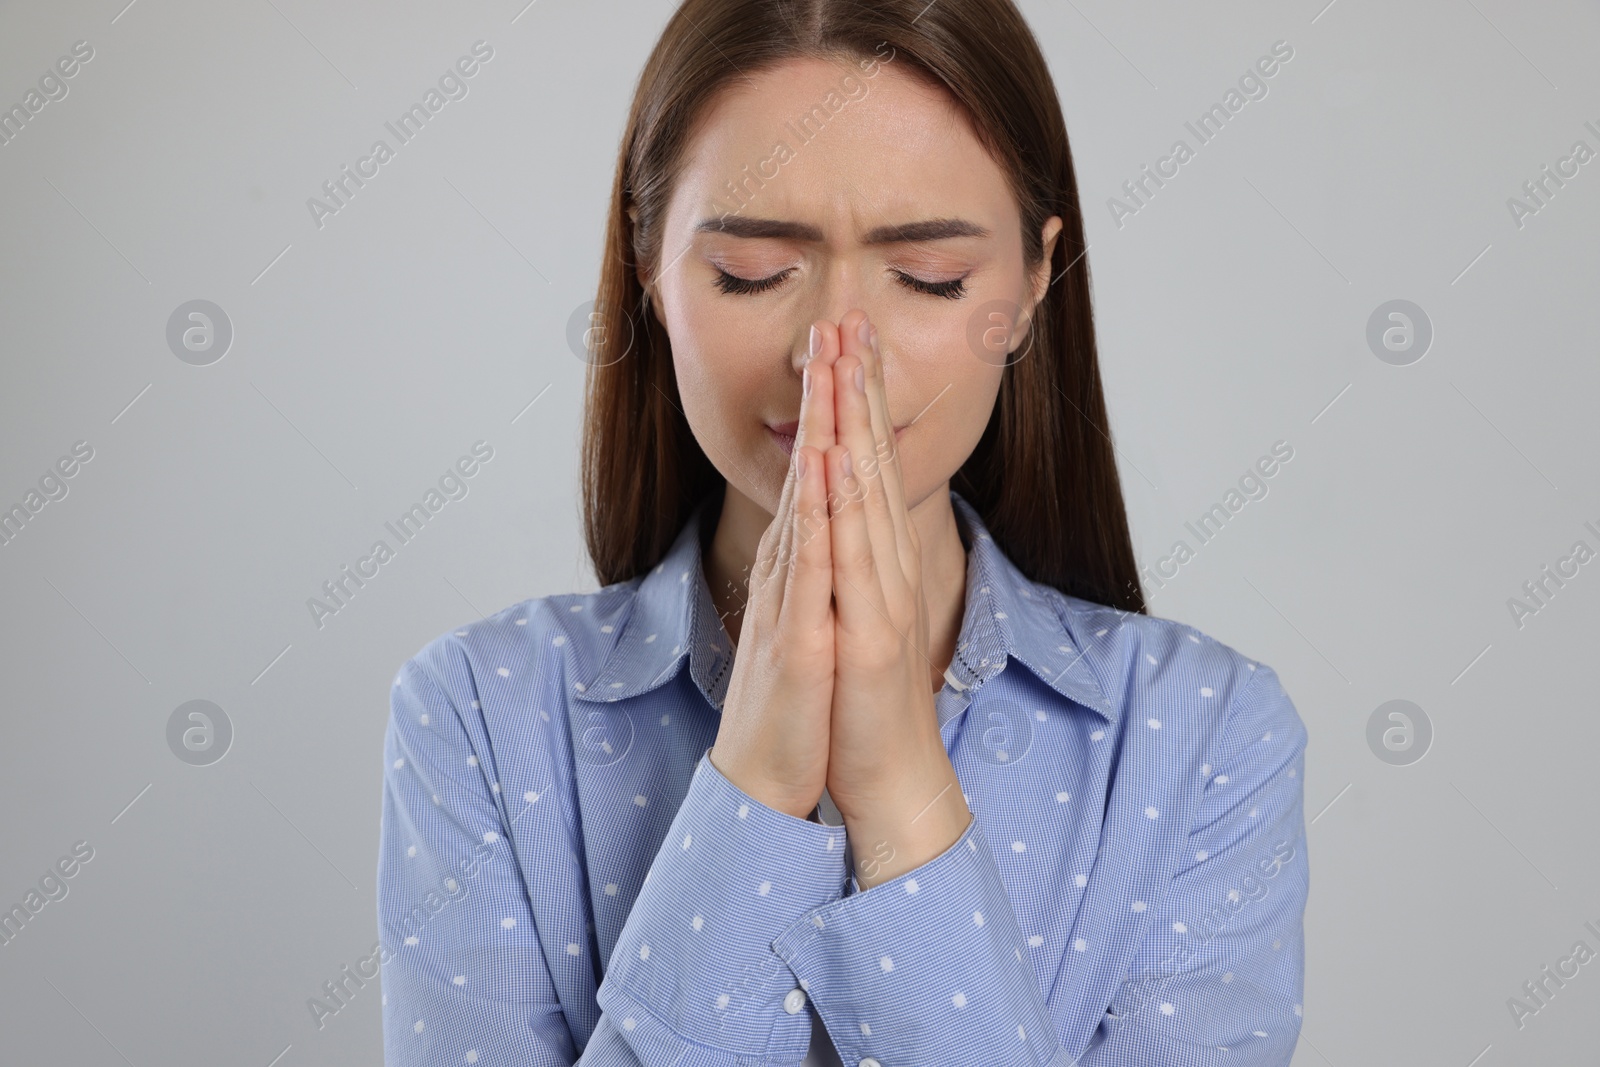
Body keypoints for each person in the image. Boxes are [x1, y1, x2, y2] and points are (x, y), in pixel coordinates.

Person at [377, 0, 1310, 1063]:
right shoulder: (479, 717)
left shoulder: (1205, 738)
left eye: (928, 278)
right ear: (649, 266)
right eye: (750, 272)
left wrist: (902, 797)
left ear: (1035, 278)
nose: (834, 356)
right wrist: (755, 792)